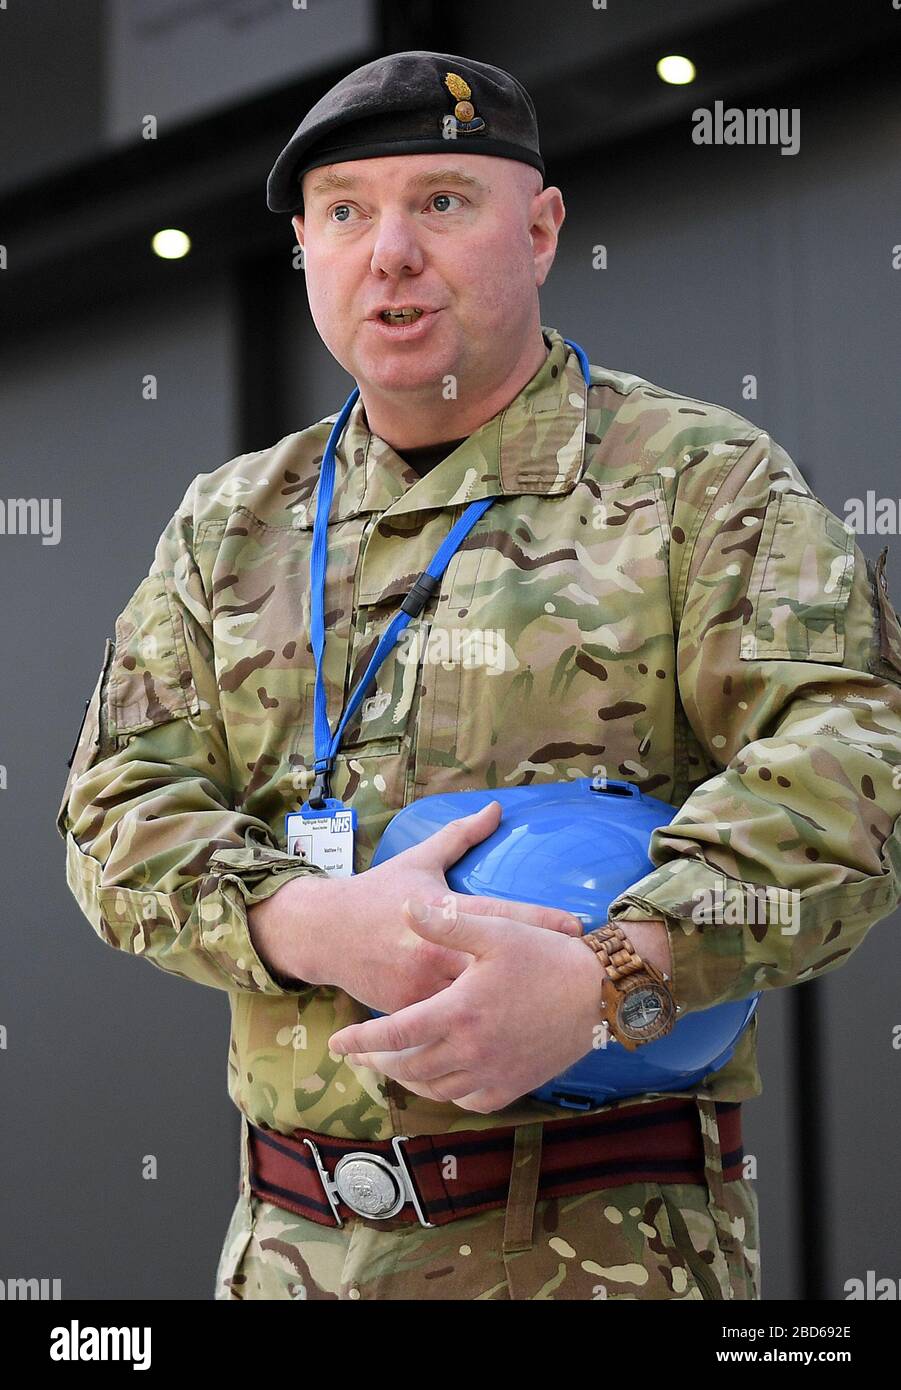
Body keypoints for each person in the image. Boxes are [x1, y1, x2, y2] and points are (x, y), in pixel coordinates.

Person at [57, 50, 901, 1302]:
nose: (388, 250)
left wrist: (615, 970)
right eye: (345, 211)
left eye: (441, 201)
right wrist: (302, 920)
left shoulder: (700, 486)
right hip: (285, 1248)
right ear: (304, 247)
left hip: (598, 1253)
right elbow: (111, 808)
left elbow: (854, 771)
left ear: (542, 227)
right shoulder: (229, 523)